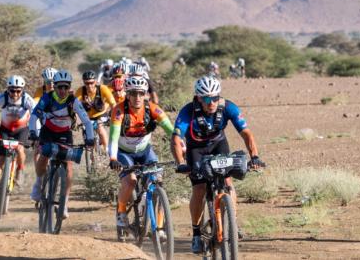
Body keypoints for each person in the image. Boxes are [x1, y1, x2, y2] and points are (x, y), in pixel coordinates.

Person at [172, 75, 264, 254]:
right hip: (196, 149)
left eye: (215, 97)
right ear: (199, 98)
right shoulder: (187, 111)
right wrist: (181, 163)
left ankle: (232, 223)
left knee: (228, 183)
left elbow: (246, 133)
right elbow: (176, 139)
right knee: (199, 189)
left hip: (218, 144)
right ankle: (196, 234)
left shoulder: (228, 107)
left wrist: (255, 157)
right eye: (207, 99)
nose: (212, 102)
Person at [107, 75, 174, 235]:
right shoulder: (118, 110)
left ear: (146, 95)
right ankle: (121, 212)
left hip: (145, 151)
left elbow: (172, 132)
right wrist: (113, 158)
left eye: (141, 93)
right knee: (130, 181)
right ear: (127, 94)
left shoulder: (153, 109)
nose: (137, 97)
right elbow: (113, 138)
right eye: (134, 93)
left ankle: (159, 228)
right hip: (124, 153)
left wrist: (183, 148)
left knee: (158, 180)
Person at [29, 69, 95, 215]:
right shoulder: (46, 98)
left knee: (69, 166)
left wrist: (90, 139)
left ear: (69, 87)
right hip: (47, 132)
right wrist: (33, 133)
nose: (63, 90)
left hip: (65, 134)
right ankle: (39, 183)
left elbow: (87, 121)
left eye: (66, 87)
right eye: (60, 87)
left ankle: (64, 203)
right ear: (55, 86)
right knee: (43, 156)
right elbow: (33, 117)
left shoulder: (73, 101)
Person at [0, 75, 36, 205]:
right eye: (12, 90)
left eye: (18, 91)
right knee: (0, 161)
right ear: (8, 89)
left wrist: (36, 134)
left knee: (20, 149)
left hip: (22, 130)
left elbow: (36, 115)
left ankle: (20, 169)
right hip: (5, 130)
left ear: (22, 90)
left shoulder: (27, 99)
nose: (15, 94)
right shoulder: (2, 97)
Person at [75, 70, 116, 152]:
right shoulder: (81, 91)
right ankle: (91, 158)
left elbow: (113, 104)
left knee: (100, 128)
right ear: (83, 83)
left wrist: (114, 115)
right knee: (86, 135)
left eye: (91, 83)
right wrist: (75, 120)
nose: (89, 85)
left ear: (96, 81)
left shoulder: (103, 89)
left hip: (101, 114)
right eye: (87, 83)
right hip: (87, 116)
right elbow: (74, 106)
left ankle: (107, 149)